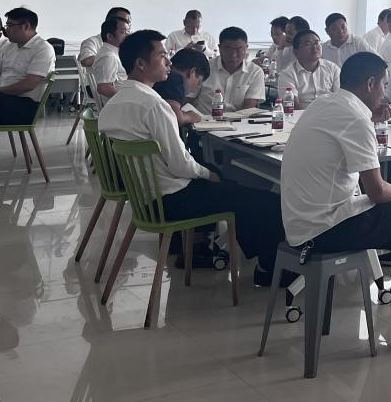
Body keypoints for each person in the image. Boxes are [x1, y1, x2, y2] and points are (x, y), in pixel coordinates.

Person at [280, 51, 391, 348]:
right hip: (325, 229)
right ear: (370, 84)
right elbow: (378, 192)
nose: (385, 92)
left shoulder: (326, 104)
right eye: (383, 85)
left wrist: (371, 120)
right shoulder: (356, 119)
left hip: (303, 223)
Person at [98, 30, 285, 285]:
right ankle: (272, 272)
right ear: (141, 63)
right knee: (266, 200)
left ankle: (248, 256)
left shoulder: (113, 104)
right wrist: (209, 174)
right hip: (172, 200)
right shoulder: (154, 105)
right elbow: (180, 165)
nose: (169, 62)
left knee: (237, 191)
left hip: (143, 198)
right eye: (162, 56)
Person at [0, 7, 56, 126]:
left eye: (10, 25)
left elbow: (29, 84)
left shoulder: (43, 49)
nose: (6, 30)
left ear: (26, 26)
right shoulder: (10, 47)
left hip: (24, 106)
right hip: (2, 98)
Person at [194, 27, 264, 114]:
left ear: (246, 48)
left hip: (239, 121)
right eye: (228, 49)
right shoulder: (204, 67)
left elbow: (248, 109)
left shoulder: (255, 72)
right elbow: (188, 98)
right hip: (203, 120)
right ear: (219, 48)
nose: (233, 55)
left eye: (239, 49)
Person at [277, 29, 340, 109]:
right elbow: (293, 105)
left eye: (317, 43)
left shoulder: (333, 68)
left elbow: (341, 97)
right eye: (308, 44)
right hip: (302, 115)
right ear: (296, 51)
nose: (315, 47)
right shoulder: (287, 74)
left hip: (331, 113)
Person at [155, 47, 209, 124]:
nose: (197, 86)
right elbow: (175, 117)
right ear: (192, 72)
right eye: (198, 82)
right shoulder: (177, 80)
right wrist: (190, 116)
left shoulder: (162, 76)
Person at [90, 16, 131, 102]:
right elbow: (103, 88)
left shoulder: (114, 53)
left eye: (128, 31)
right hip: (122, 105)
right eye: (123, 32)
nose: (128, 35)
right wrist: (128, 101)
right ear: (110, 36)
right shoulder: (108, 56)